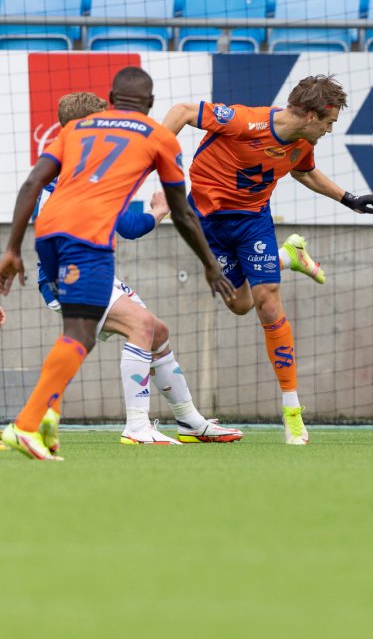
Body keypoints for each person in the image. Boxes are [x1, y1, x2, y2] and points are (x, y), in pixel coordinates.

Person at [0, 67, 234, 460]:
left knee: (153, 330)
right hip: (84, 244)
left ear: (110, 97)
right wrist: (209, 263)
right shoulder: (155, 137)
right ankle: (128, 426)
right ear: (152, 104)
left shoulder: (71, 136)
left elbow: (30, 185)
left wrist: (11, 249)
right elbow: (180, 213)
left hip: (49, 244)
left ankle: (188, 419)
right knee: (127, 327)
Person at [162, 74, 373, 445]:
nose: (330, 131)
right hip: (208, 225)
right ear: (312, 116)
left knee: (268, 305)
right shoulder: (245, 120)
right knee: (240, 305)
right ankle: (288, 257)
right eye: (329, 123)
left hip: (253, 223)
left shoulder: (301, 141)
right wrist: (150, 152)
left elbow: (305, 173)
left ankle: (292, 411)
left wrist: (348, 198)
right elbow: (183, 111)